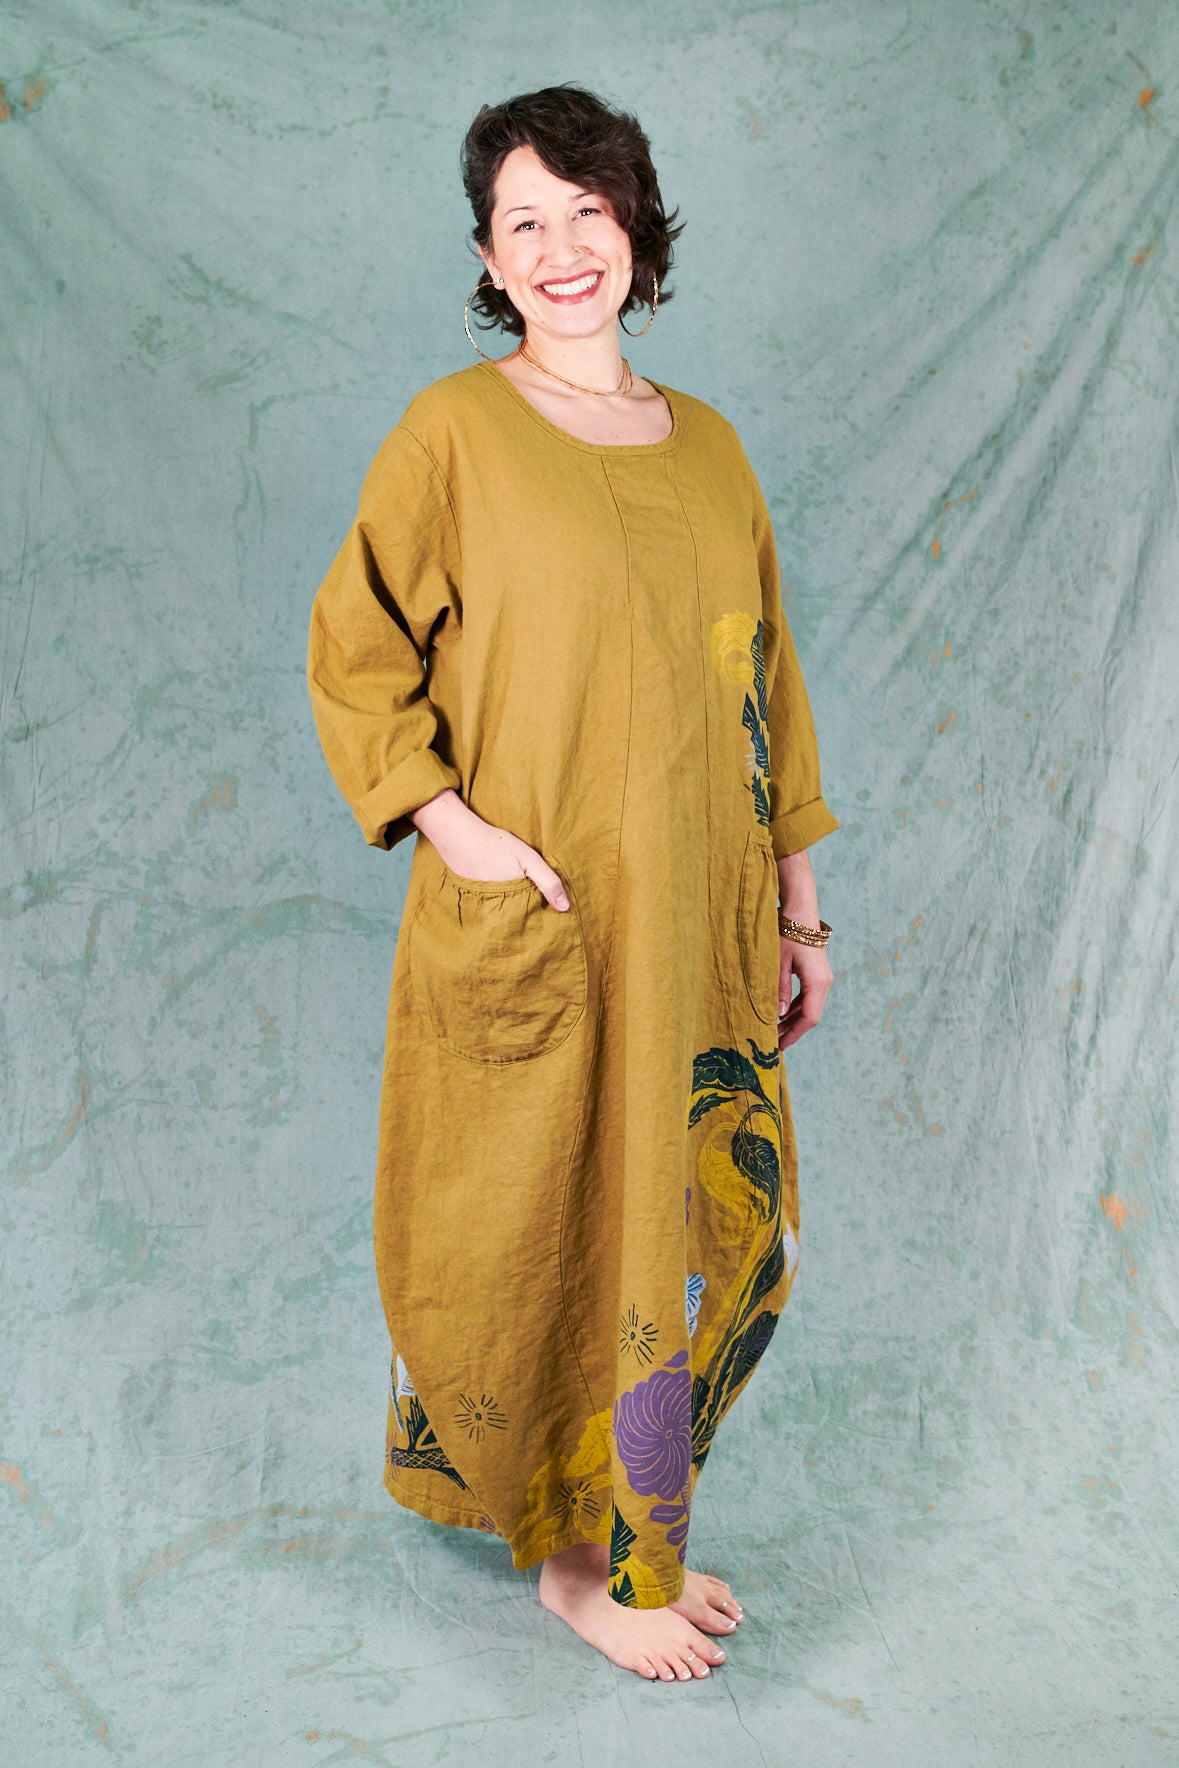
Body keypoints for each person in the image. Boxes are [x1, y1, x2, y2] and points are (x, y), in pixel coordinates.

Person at [306, 83, 839, 1684]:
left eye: (587, 211)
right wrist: (456, 832)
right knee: (542, 1224)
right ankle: (570, 1563)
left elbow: (769, 693)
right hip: (541, 920)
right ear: (488, 256)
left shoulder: (714, 449)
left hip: (700, 927)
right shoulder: (454, 435)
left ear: (637, 231)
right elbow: (356, 651)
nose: (560, 247)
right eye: (523, 221)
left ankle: (637, 1533)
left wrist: (800, 909)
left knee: (678, 1222)